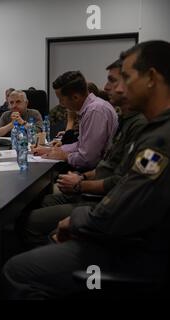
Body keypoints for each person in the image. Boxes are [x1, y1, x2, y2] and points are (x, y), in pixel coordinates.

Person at [4, 40, 170, 299]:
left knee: (17, 270)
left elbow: (126, 202)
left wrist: (78, 220)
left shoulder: (160, 140)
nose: (114, 88)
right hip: (130, 233)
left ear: (151, 78)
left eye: (125, 77)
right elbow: (127, 189)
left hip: (136, 249)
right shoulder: (154, 128)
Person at [18, 59, 148, 249]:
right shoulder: (109, 114)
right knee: (40, 201)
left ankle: (54, 259)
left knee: (30, 219)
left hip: (102, 201)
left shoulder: (100, 111)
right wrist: (58, 151)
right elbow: (98, 156)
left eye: (113, 81)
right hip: (97, 187)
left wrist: (76, 176)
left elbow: (91, 158)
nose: (106, 87)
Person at [32, 71, 118, 171]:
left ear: (76, 97)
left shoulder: (95, 111)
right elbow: (81, 145)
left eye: (61, 99)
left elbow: (88, 159)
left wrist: (65, 156)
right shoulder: (92, 107)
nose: (61, 104)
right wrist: (52, 150)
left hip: (98, 172)